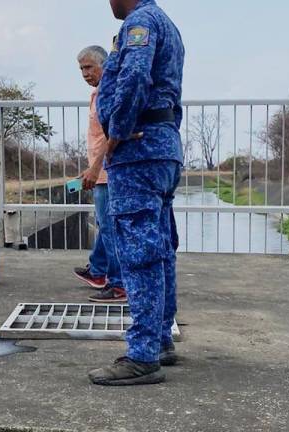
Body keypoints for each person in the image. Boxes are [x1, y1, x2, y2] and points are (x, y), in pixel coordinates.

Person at [89, 0, 185, 386]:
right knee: (160, 247)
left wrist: (117, 130)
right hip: (162, 147)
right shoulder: (166, 24)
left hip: (138, 151)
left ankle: (143, 354)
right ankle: (160, 339)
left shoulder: (140, 23)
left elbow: (133, 77)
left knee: (139, 252)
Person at [74, 45, 127, 304]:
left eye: (89, 67)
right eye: (81, 68)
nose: (84, 73)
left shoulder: (111, 92)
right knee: (105, 224)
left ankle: (118, 285)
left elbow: (113, 133)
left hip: (108, 170)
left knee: (110, 227)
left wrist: (96, 167)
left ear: (104, 65)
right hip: (100, 168)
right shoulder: (96, 94)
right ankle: (97, 270)